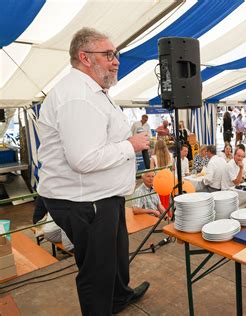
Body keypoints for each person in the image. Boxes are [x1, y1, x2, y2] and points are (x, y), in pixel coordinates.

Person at [37, 28, 150, 314]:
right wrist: (130, 145)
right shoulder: (78, 97)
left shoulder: (93, 92)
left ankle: (119, 296)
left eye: (116, 54)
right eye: (108, 54)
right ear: (84, 58)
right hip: (86, 201)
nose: (116, 61)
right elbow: (84, 159)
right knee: (97, 270)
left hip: (103, 196)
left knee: (114, 257)